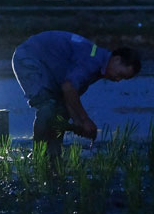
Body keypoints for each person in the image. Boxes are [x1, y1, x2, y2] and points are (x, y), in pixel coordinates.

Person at [12, 31, 141, 155]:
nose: (118, 80)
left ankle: (53, 155)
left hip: (51, 69)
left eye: (123, 79)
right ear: (117, 59)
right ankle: (39, 156)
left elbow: (67, 98)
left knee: (61, 111)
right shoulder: (92, 59)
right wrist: (85, 119)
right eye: (120, 75)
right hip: (30, 57)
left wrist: (78, 122)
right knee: (47, 108)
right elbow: (68, 87)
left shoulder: (98, 65)